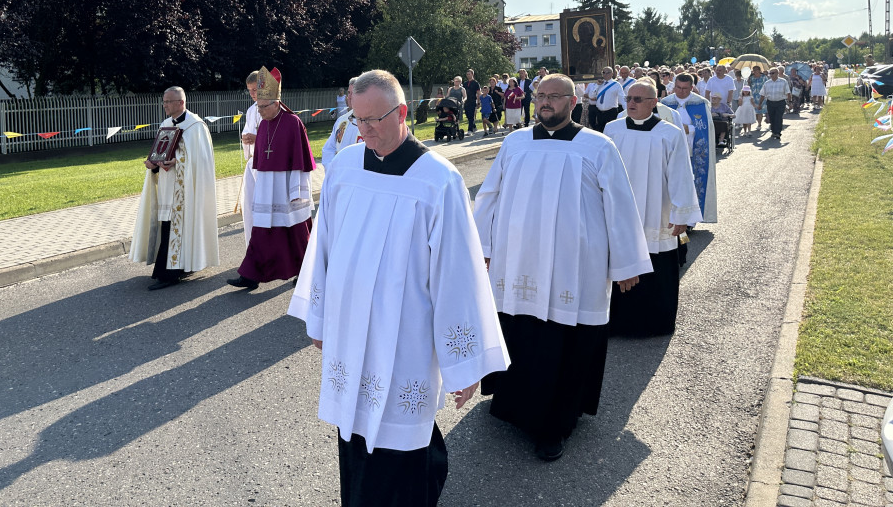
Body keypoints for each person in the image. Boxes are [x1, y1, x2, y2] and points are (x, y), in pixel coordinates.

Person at [289, 70, 509, 507]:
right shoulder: (345, 167)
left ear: (403, 112)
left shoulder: (437, 180)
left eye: (374, 119)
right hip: (350, 334)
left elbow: (458, 276)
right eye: (358, 120)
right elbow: (324, 246)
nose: (365, 130)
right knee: (352, 428)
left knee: (404, 441)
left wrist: (463, 365)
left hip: (405, 334)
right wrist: (319, 318)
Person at [473, 74, 652, 461]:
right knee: (518, 333)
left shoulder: (598, 146)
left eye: (554, 97)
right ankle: (510, 404)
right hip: (518, 260)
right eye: (541, 96)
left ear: (574, 102)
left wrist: (625, 263)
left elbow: (619, 206)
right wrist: (482, 247)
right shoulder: (515, 142)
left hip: (575, 265)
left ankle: (555, 424)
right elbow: (489, 194)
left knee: (563, 340)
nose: (545, 103)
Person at [604, 80, 701, 336]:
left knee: (655, 265)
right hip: (620, 211)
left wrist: (681, 214)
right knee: (619, 258)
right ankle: (616, 324)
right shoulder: (611, 130)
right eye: (628, 99)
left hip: (657, 210)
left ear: (653, 103)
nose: (631, 104)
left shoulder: (669, 133)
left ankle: (654, 324)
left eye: (638, 99)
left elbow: (681, 174)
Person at [229, 67, 316, 290]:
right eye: (258, 107)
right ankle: (250, 275)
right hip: (266, 185)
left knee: (296, 232)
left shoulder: (292, 122)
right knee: (261, 231)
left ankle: (306, 271)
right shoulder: (265, 123)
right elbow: (260, 156)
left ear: (276, 103)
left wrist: (297, 190)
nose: (260, 112)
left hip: (287, 187)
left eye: (263, 107)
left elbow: (300, 158)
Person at [130, 87, 219, 290]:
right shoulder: (166, 124)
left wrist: (176, 161)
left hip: (187, 190)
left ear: (181, 102)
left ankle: (170, 273)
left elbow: (201, 161)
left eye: (168, 102)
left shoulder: (196, 126)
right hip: (167, 185)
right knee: (167, 225)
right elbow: (160, 151)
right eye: (164, 101)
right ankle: (174, 268)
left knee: (177, 227)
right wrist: (153, 163)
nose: (165, 105)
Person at [661, 74, 717, 224]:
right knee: (672, 181)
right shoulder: (665, 103)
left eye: (685, 88)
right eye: (678, 87)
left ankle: (691, 219)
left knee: (691, 182)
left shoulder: (700, 103)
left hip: (693, 148)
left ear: (692, 88)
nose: (681, 91)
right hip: (670, 149)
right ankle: (671, 216)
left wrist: (689, 129)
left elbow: (705, 129)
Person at [241, 71, 263, 247]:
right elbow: (248, 131)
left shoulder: (273, 109)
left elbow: (276, 138)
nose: (253, 94)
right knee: (249, 206)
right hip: (252, 163)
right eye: (249, 90)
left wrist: (257, 140)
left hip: (266, 165)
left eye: (255, 89)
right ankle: (253, 247)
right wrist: (246, 139)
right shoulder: (251, 111)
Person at [322, 78, 361, 170]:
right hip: (338, 175)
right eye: (349, 93)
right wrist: (332, 169)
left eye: (353, 93)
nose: (349, 97)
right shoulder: (342, 121)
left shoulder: (373, 123)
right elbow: (328, 149)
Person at [585, 67, 625, 133]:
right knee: (600, 130)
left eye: (608, 73)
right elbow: (591, 96)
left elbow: (622, 99)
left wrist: (626, 111)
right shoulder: (599, 83)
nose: (605, 74)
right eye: (603, 73)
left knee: (611, 131)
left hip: (611, 112)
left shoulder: (616, 85)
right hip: (599, 112)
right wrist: (597, 85)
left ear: (612, 74)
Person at [761, 68, 792, 141]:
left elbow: (788, 92)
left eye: (773, 73)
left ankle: (778, 132)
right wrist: (760, 104)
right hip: (770, 102)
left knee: (778, 117)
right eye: (770, 73)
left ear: (777, 73)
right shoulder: (767, 83)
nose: (771, 75)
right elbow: (762, 94)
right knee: (772, 117)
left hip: (780, 102)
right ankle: (773, 131)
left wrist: (790, 102)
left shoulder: (783, 82)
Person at [748, 66, 767, 131]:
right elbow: (749, 86)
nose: (755, 71)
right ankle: (757, 121)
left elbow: (766, 85)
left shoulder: (764, 77)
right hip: (753, 96)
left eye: (756, 70)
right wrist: (748, 81)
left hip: (761, 96)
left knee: (760, 111)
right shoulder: (751, 78)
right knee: (755, 111)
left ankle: (759, 124)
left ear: (759, 70)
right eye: (754, 70)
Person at [463, 69, 481, 134]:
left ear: (472, 74)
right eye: (467, 74)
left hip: (473, 100)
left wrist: (478, 102)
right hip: (466, 101)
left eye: (469, 74)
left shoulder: (476, 83)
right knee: (467, 115)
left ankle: (470, 130)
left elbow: (478, 93)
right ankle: (474, 126)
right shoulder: (465, 83)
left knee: (471, 115)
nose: (468, 75)